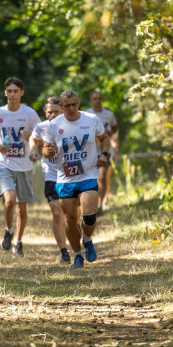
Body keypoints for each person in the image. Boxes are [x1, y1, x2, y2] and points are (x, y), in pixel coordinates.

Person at [40, 90, 111, 269]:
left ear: (78, 103)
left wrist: (103, 154)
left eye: (74, 104)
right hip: (65, 178)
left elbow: (104, 139)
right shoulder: (54, 125)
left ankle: (87, 239)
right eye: (67, 106)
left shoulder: (91, 119)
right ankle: (78, 255)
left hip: (88, 175)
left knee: (89, 216)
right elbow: (46, 147)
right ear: (62, 107)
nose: (71, 109)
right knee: (70, 219)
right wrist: (47, 151)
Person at [0, 77, 40, 257]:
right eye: (9, 91)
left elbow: (39, 135)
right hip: (4, 163)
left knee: (21, 208)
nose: (12, 94)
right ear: (5, 93)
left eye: (15, 91)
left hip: (24, 165)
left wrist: (30, 138)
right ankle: (8, 229)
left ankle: (18, 240)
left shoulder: (30, 114)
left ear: (21, 93)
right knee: (9, 200)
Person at [30, 96, 71, 263]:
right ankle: (64, 253)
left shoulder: (71, 125)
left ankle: (78, 241)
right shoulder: (41, 127)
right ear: (45, 113)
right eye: (49, 112)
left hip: (71, 176)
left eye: (56, 111)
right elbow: (34, 138)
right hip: (52, 175)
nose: (52, 115)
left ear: (62, 110)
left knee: (71, 215)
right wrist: (33, 150)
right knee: (56, 213)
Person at [85, 90, 119, 212]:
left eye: (99, 98)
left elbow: (115, 128)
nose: (97, 101)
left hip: (105, 150)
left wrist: (110, 133)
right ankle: (91, 203)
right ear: (91, 100)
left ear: (102, 100)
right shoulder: (87, 114)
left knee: (103, 176)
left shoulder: (109, 115)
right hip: (90, 151)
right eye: (95, 98)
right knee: (94, 179)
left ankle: (100, 205)